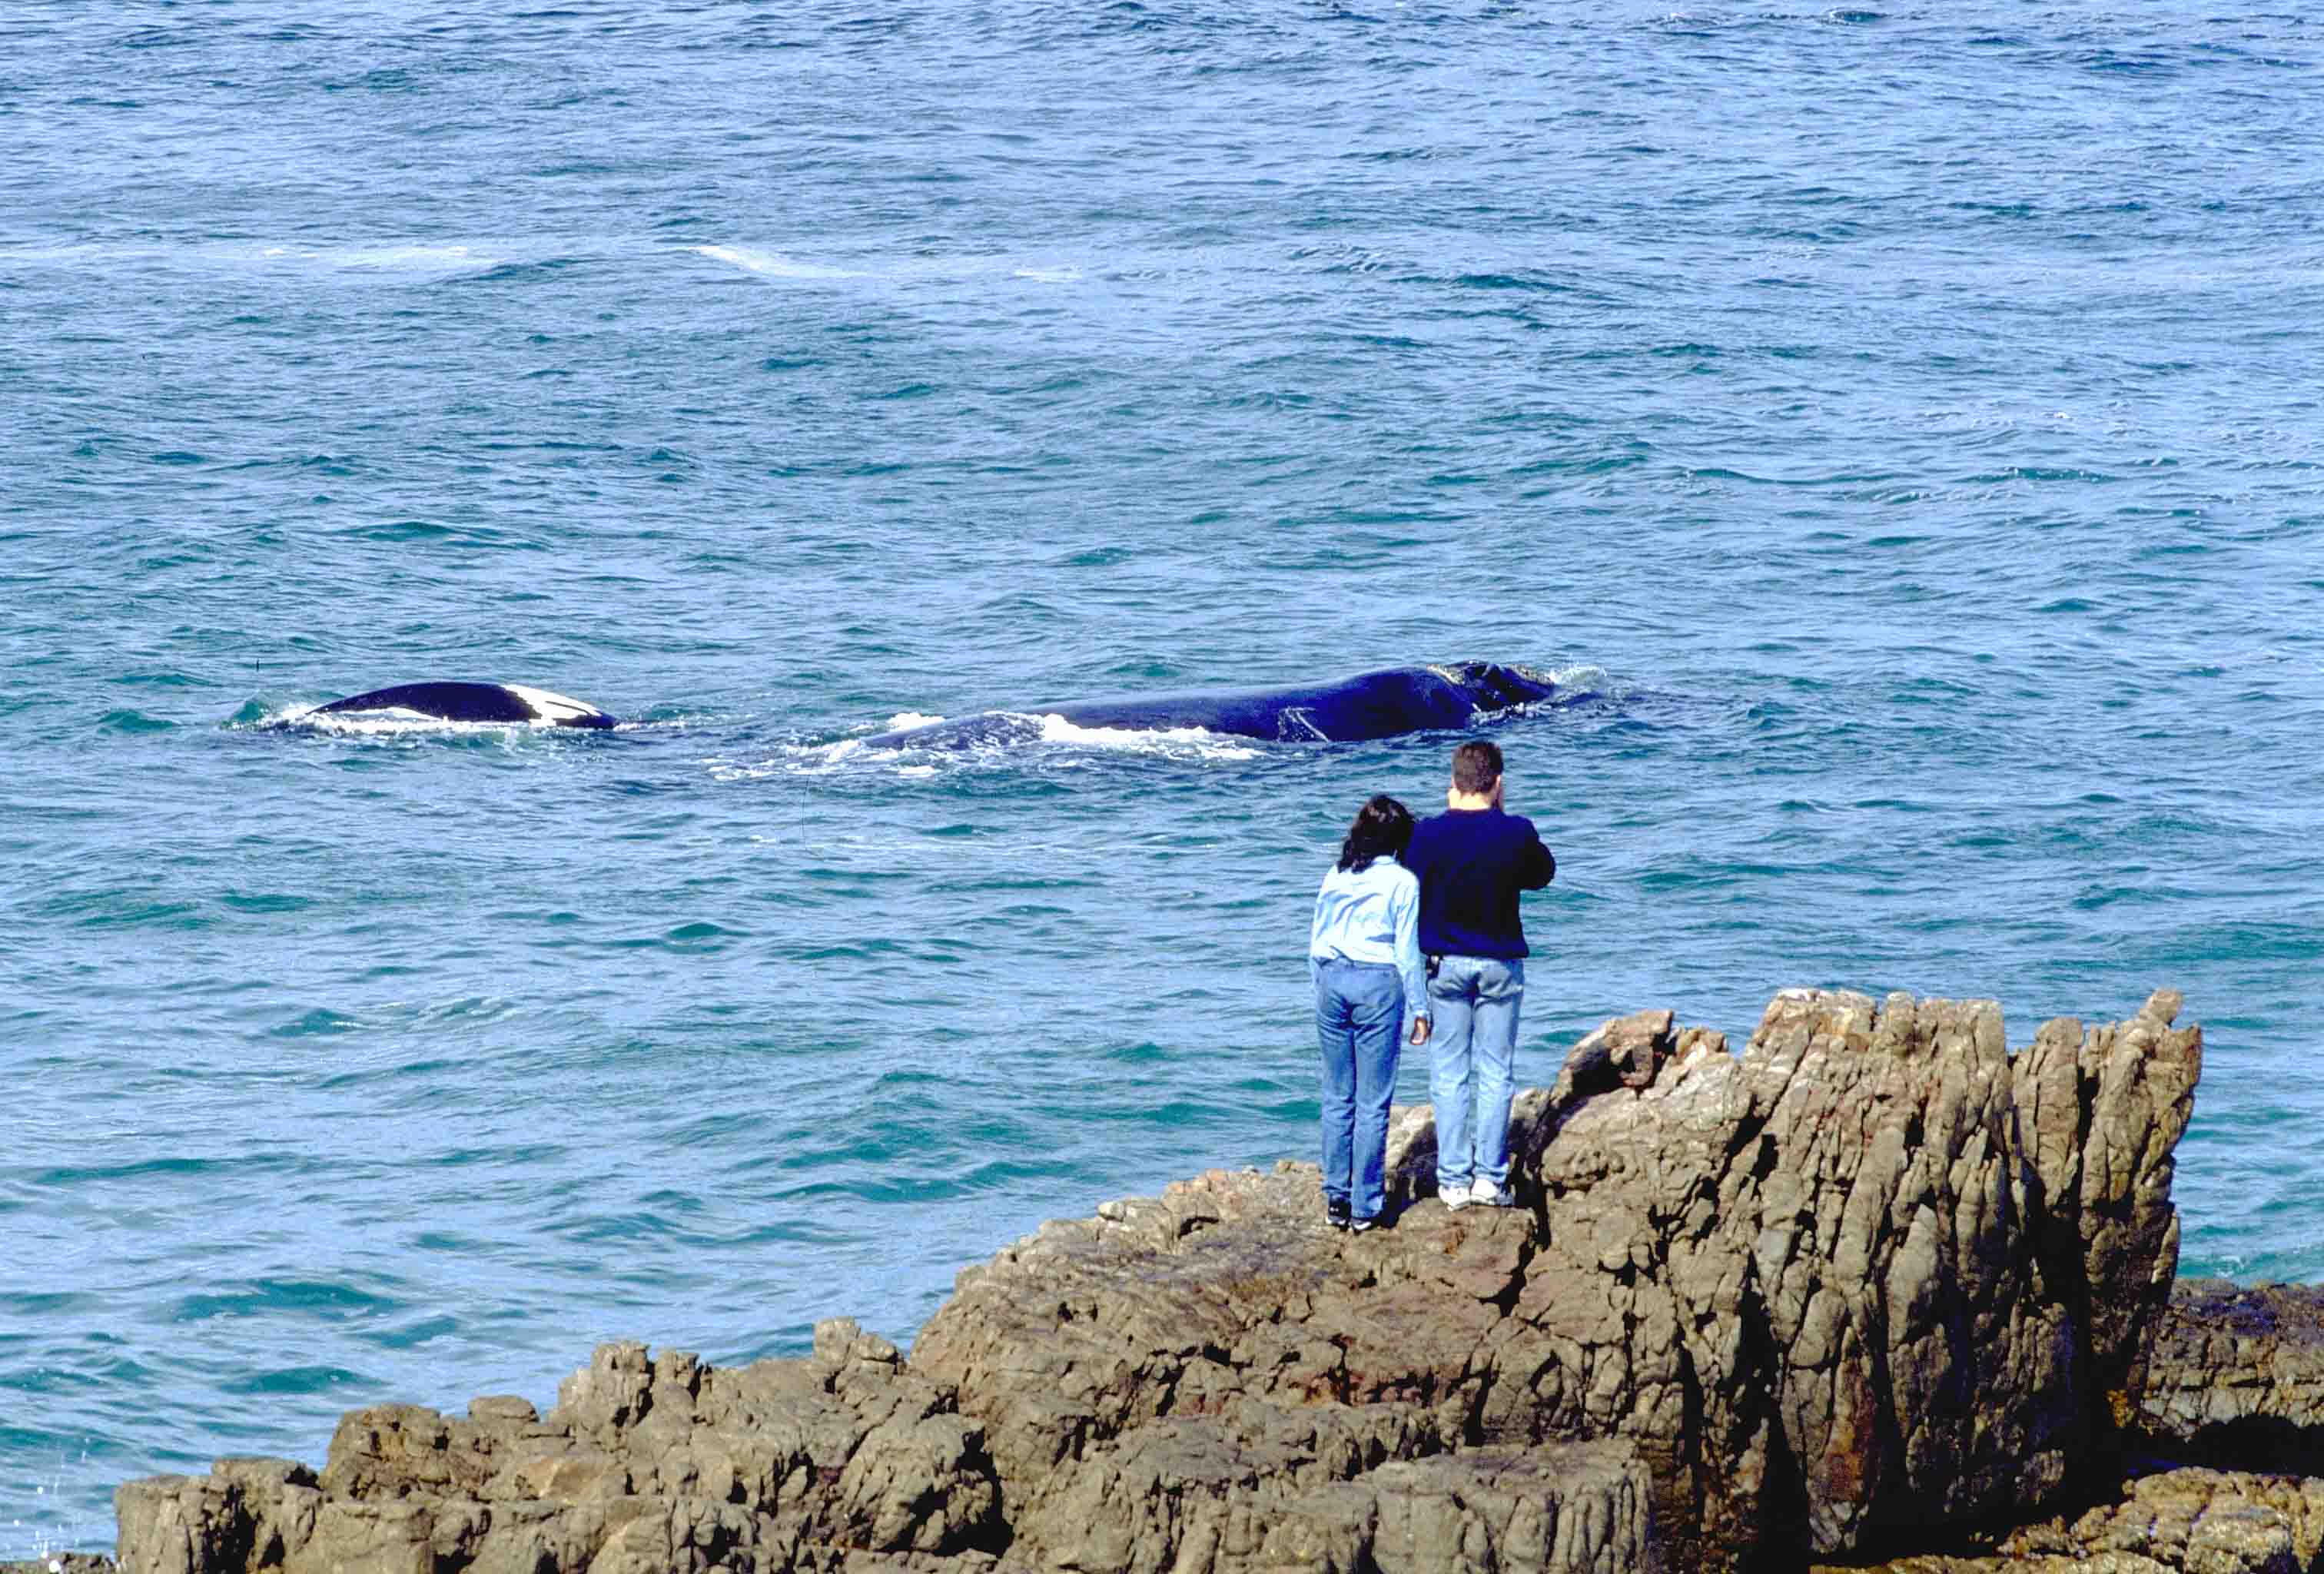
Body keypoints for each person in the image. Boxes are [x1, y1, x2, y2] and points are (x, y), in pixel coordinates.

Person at [1401, 739, 1556, 1210]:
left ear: (1454, 783)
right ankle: (1490, 1178)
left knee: (1449, 1073)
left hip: (1444, 963)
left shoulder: (1426, 834)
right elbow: (1542, 874)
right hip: (1499, 964)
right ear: (1497, 783)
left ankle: (1452, 1181)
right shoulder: (1516, 831)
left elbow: (1409, 883)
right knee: (1495, 1071)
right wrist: (1503, 814)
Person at [1308, 795, 1433, 1233]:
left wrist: (1320, 987)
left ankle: (1336, 1199)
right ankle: (1365, 1205)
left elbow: (1317, 939)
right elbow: (1406, 953)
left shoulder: (1337, 872)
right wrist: (1421, 1008)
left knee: (1337, 1096)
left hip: (1331, 980)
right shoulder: (1402, 882)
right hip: (1378, 983)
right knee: (1373, 1102)